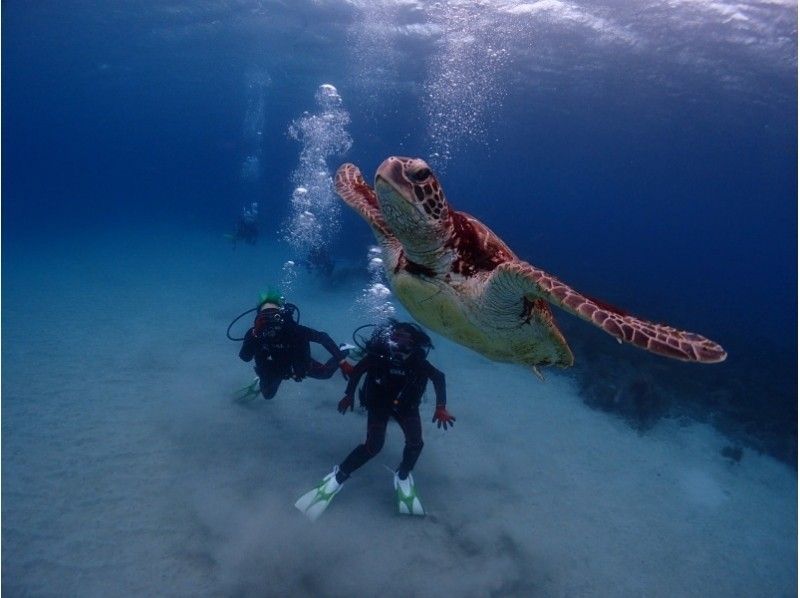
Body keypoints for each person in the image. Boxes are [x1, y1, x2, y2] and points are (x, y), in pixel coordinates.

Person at [295, 320, 455, 520]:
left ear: (414, 344)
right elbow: (357, 372)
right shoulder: (379, 355)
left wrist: (441, 406)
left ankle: (403, 476)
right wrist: (348, 395)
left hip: (406, 406)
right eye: (396, 337)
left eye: (405, 341)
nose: (399, 346)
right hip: (378, 404)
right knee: (373, 446)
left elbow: (438, 377)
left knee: (416, 443)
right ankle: (337, 478)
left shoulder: (417, 361)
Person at [238, 292, 353, 400]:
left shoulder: (294, 330)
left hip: (298, 363)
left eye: (274, 315)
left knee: (326, 374)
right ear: (259, 317)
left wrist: (342, 362)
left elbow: (323, 338)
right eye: (265, 316)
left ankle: (344, 350)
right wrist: (256, 333)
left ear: (281, 315)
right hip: (273, 368)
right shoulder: (255, 333)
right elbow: (245, 357)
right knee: (268, 394)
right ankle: (263, 378)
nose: (270, 320)